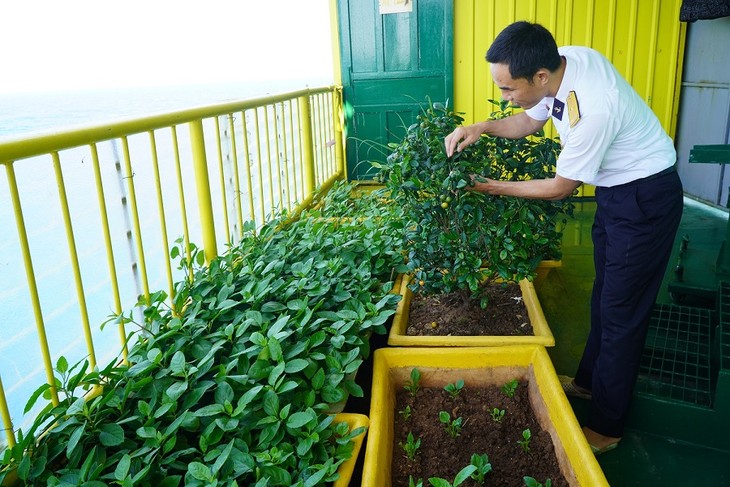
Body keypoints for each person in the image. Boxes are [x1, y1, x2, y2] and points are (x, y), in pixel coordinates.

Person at [444, 21, 683, 454]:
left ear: (539, 77)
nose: (504, 97)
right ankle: (591, 383)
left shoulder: (594, 107)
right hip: (617, 191)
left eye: (507, 88)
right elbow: (529, 120)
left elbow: (559, 187)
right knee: (605, 296)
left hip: (644, 197)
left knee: (622, 312)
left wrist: (490, 186)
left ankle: (608, 427)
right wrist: (482, 127)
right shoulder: (561, 62)